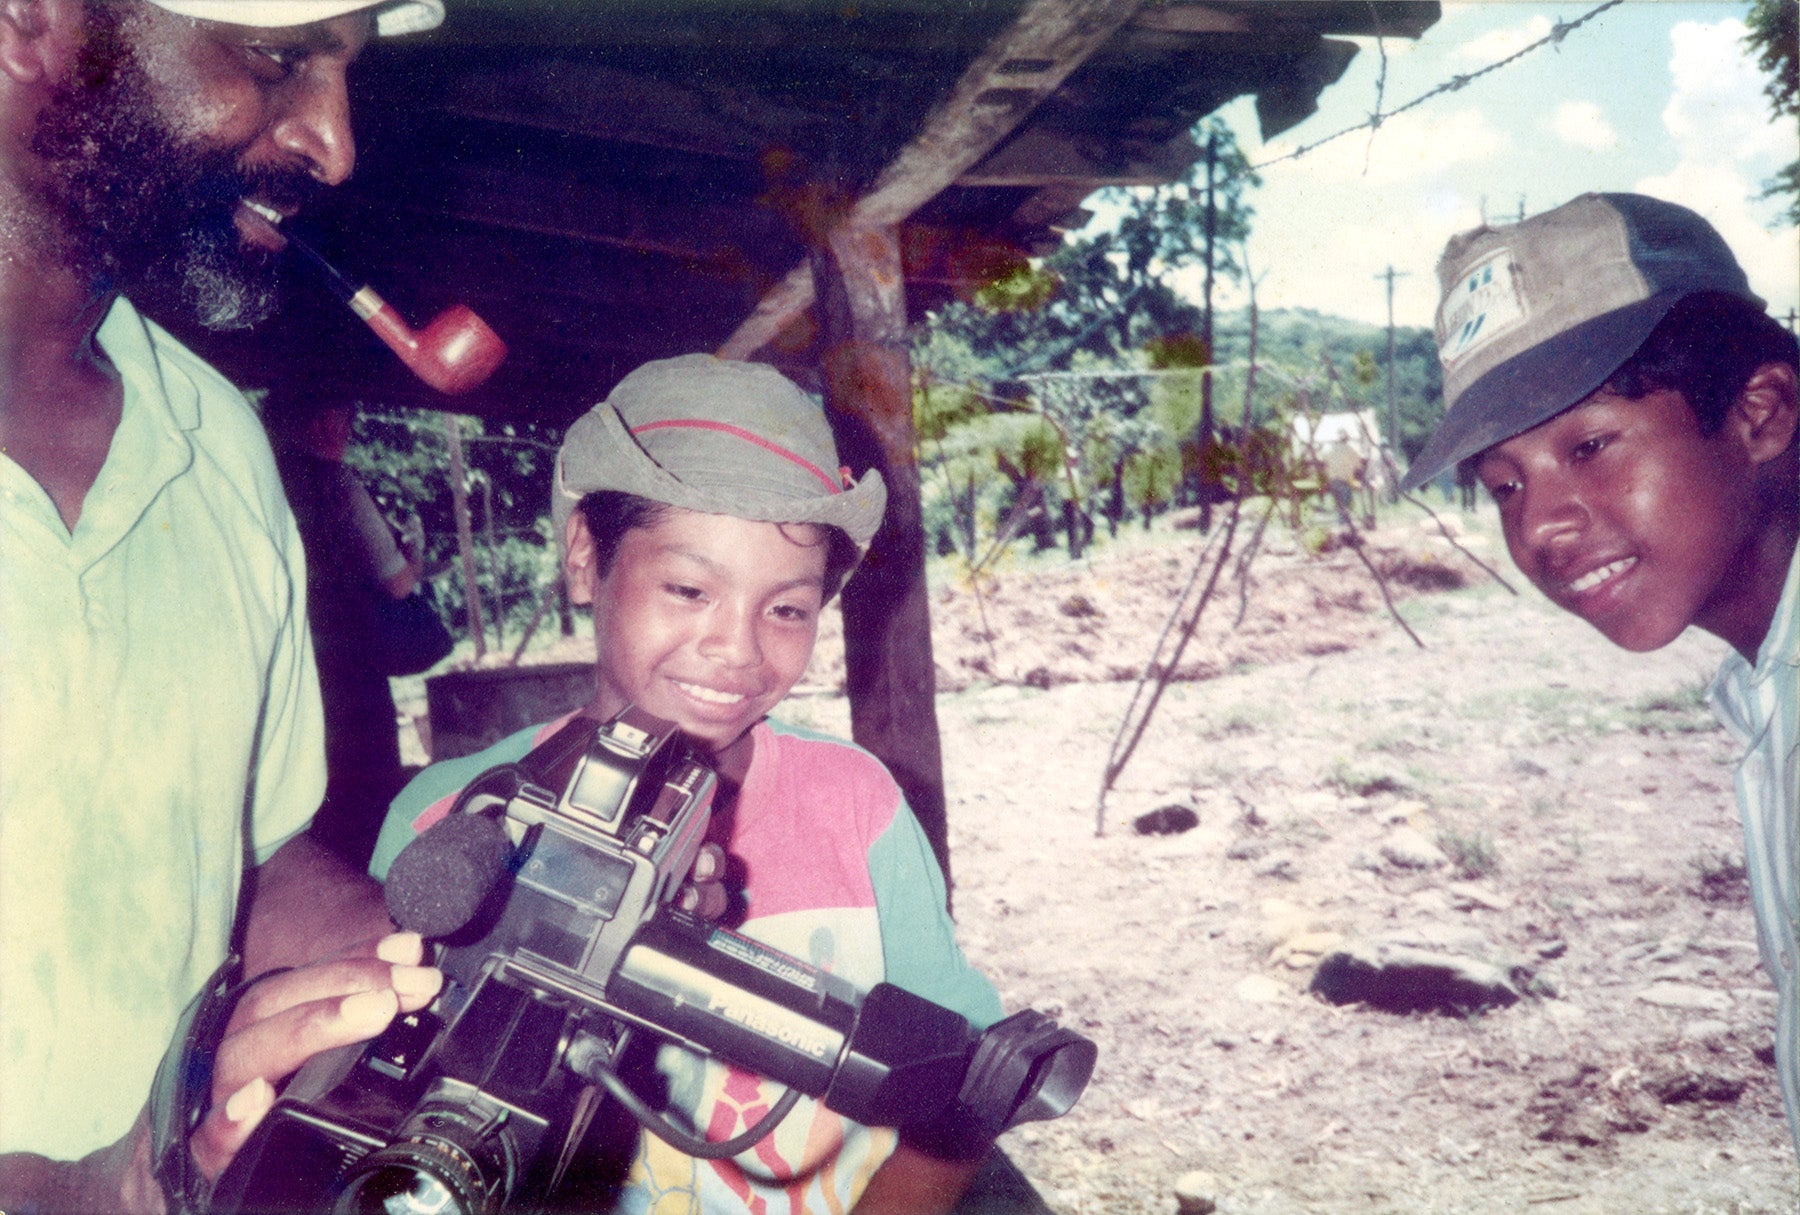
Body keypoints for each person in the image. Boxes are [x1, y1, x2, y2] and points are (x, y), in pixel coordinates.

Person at [369, 354, 1009, 1214]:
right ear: (587, 557)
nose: (738, 649)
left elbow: (963, 1085)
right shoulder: (449, 821)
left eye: (787, 608)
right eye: (688, 587)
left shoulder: (857, 804)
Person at [0, 3, 449, 1211]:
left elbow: (248, 858)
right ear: (32, 24)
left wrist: (474, 961)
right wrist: (88, 1191)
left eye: (345, 71)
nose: (332, 145)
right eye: (276, 58)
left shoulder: (218, 443)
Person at [1399, 192, 1799, 1158]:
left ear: (1759, 412)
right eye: (1504, 484)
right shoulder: (1765, 692)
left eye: (1589, 445)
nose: (1539, 525)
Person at [273, 400, 428, 870]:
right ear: (321, 419)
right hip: (348, 672)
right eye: (347, 419)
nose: (349, 431)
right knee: (366, 800)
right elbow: (397, 581)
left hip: (287, 667)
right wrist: (414, 553)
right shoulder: (334, 483)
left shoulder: (256, 478)